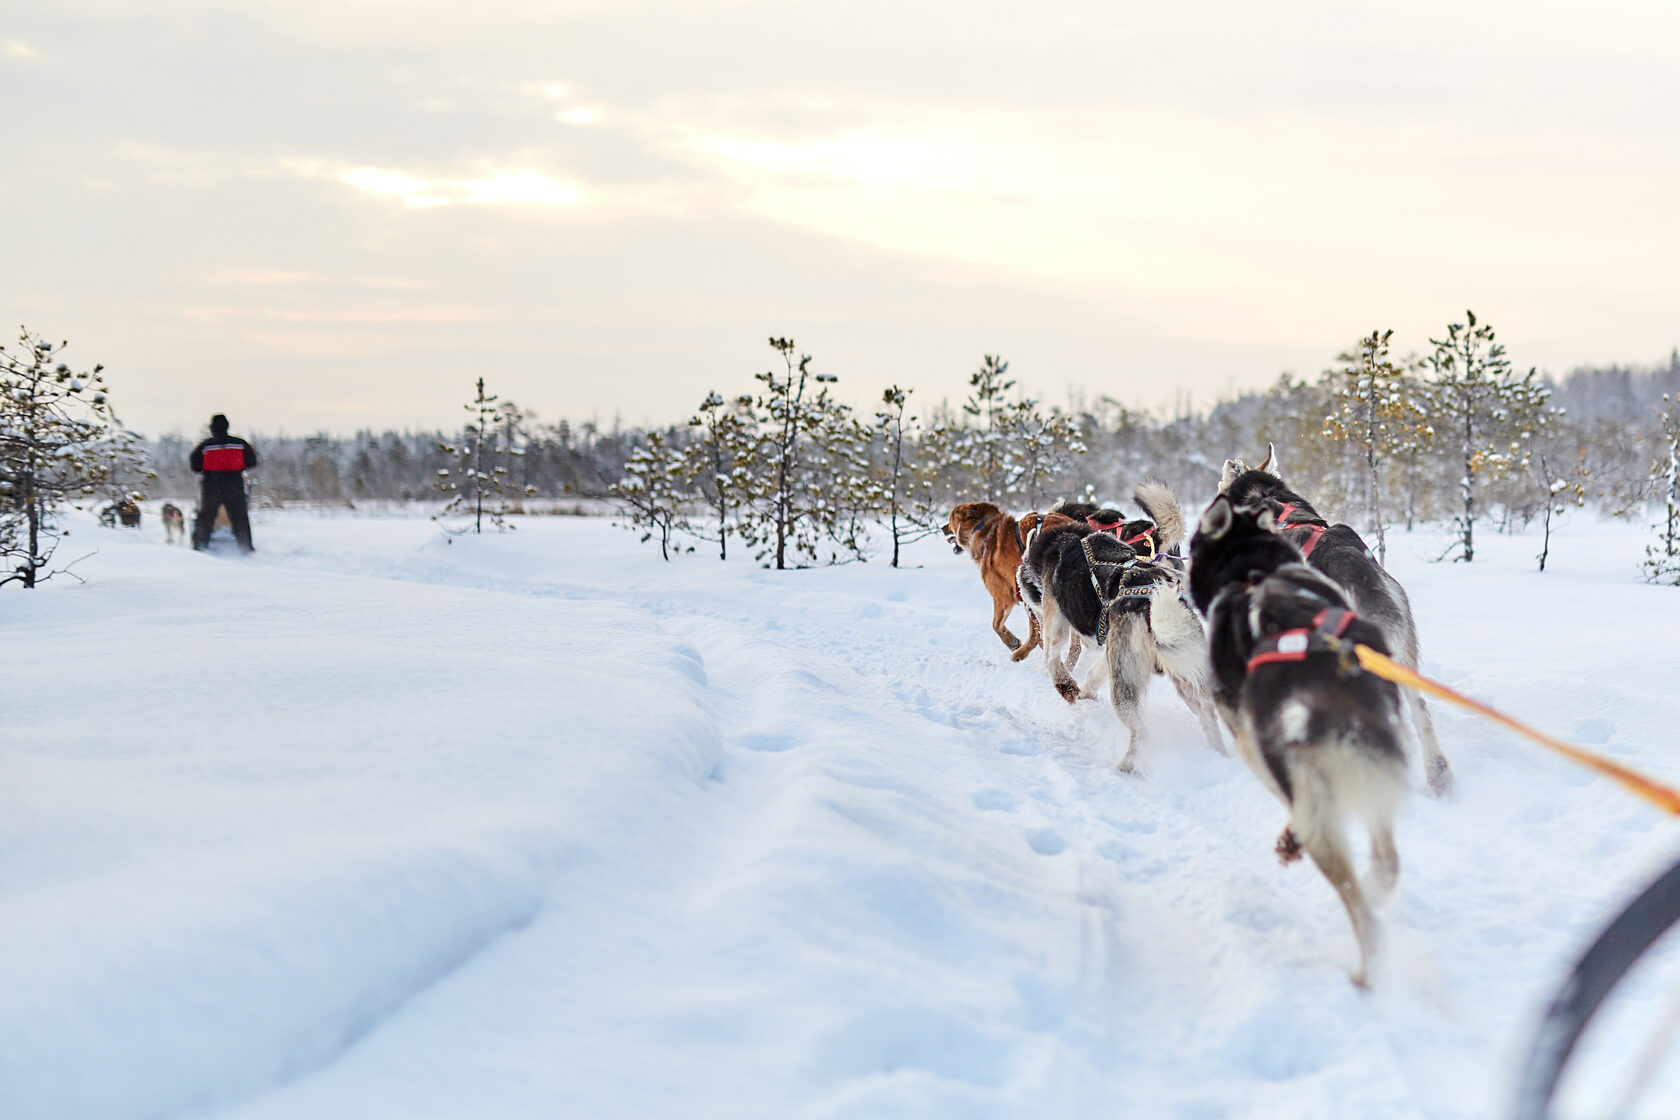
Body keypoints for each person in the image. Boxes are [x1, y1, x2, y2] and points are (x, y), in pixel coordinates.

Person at [189, 413, 258, 552]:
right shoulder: (240, 444)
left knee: (206, 517)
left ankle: (200, 547)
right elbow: (252, 462)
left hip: (211, 485)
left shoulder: (205, 446)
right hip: (234, 483)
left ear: (212, 428)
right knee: (239, 517)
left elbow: (195, 466)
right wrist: (238, 468)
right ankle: (245, 548)